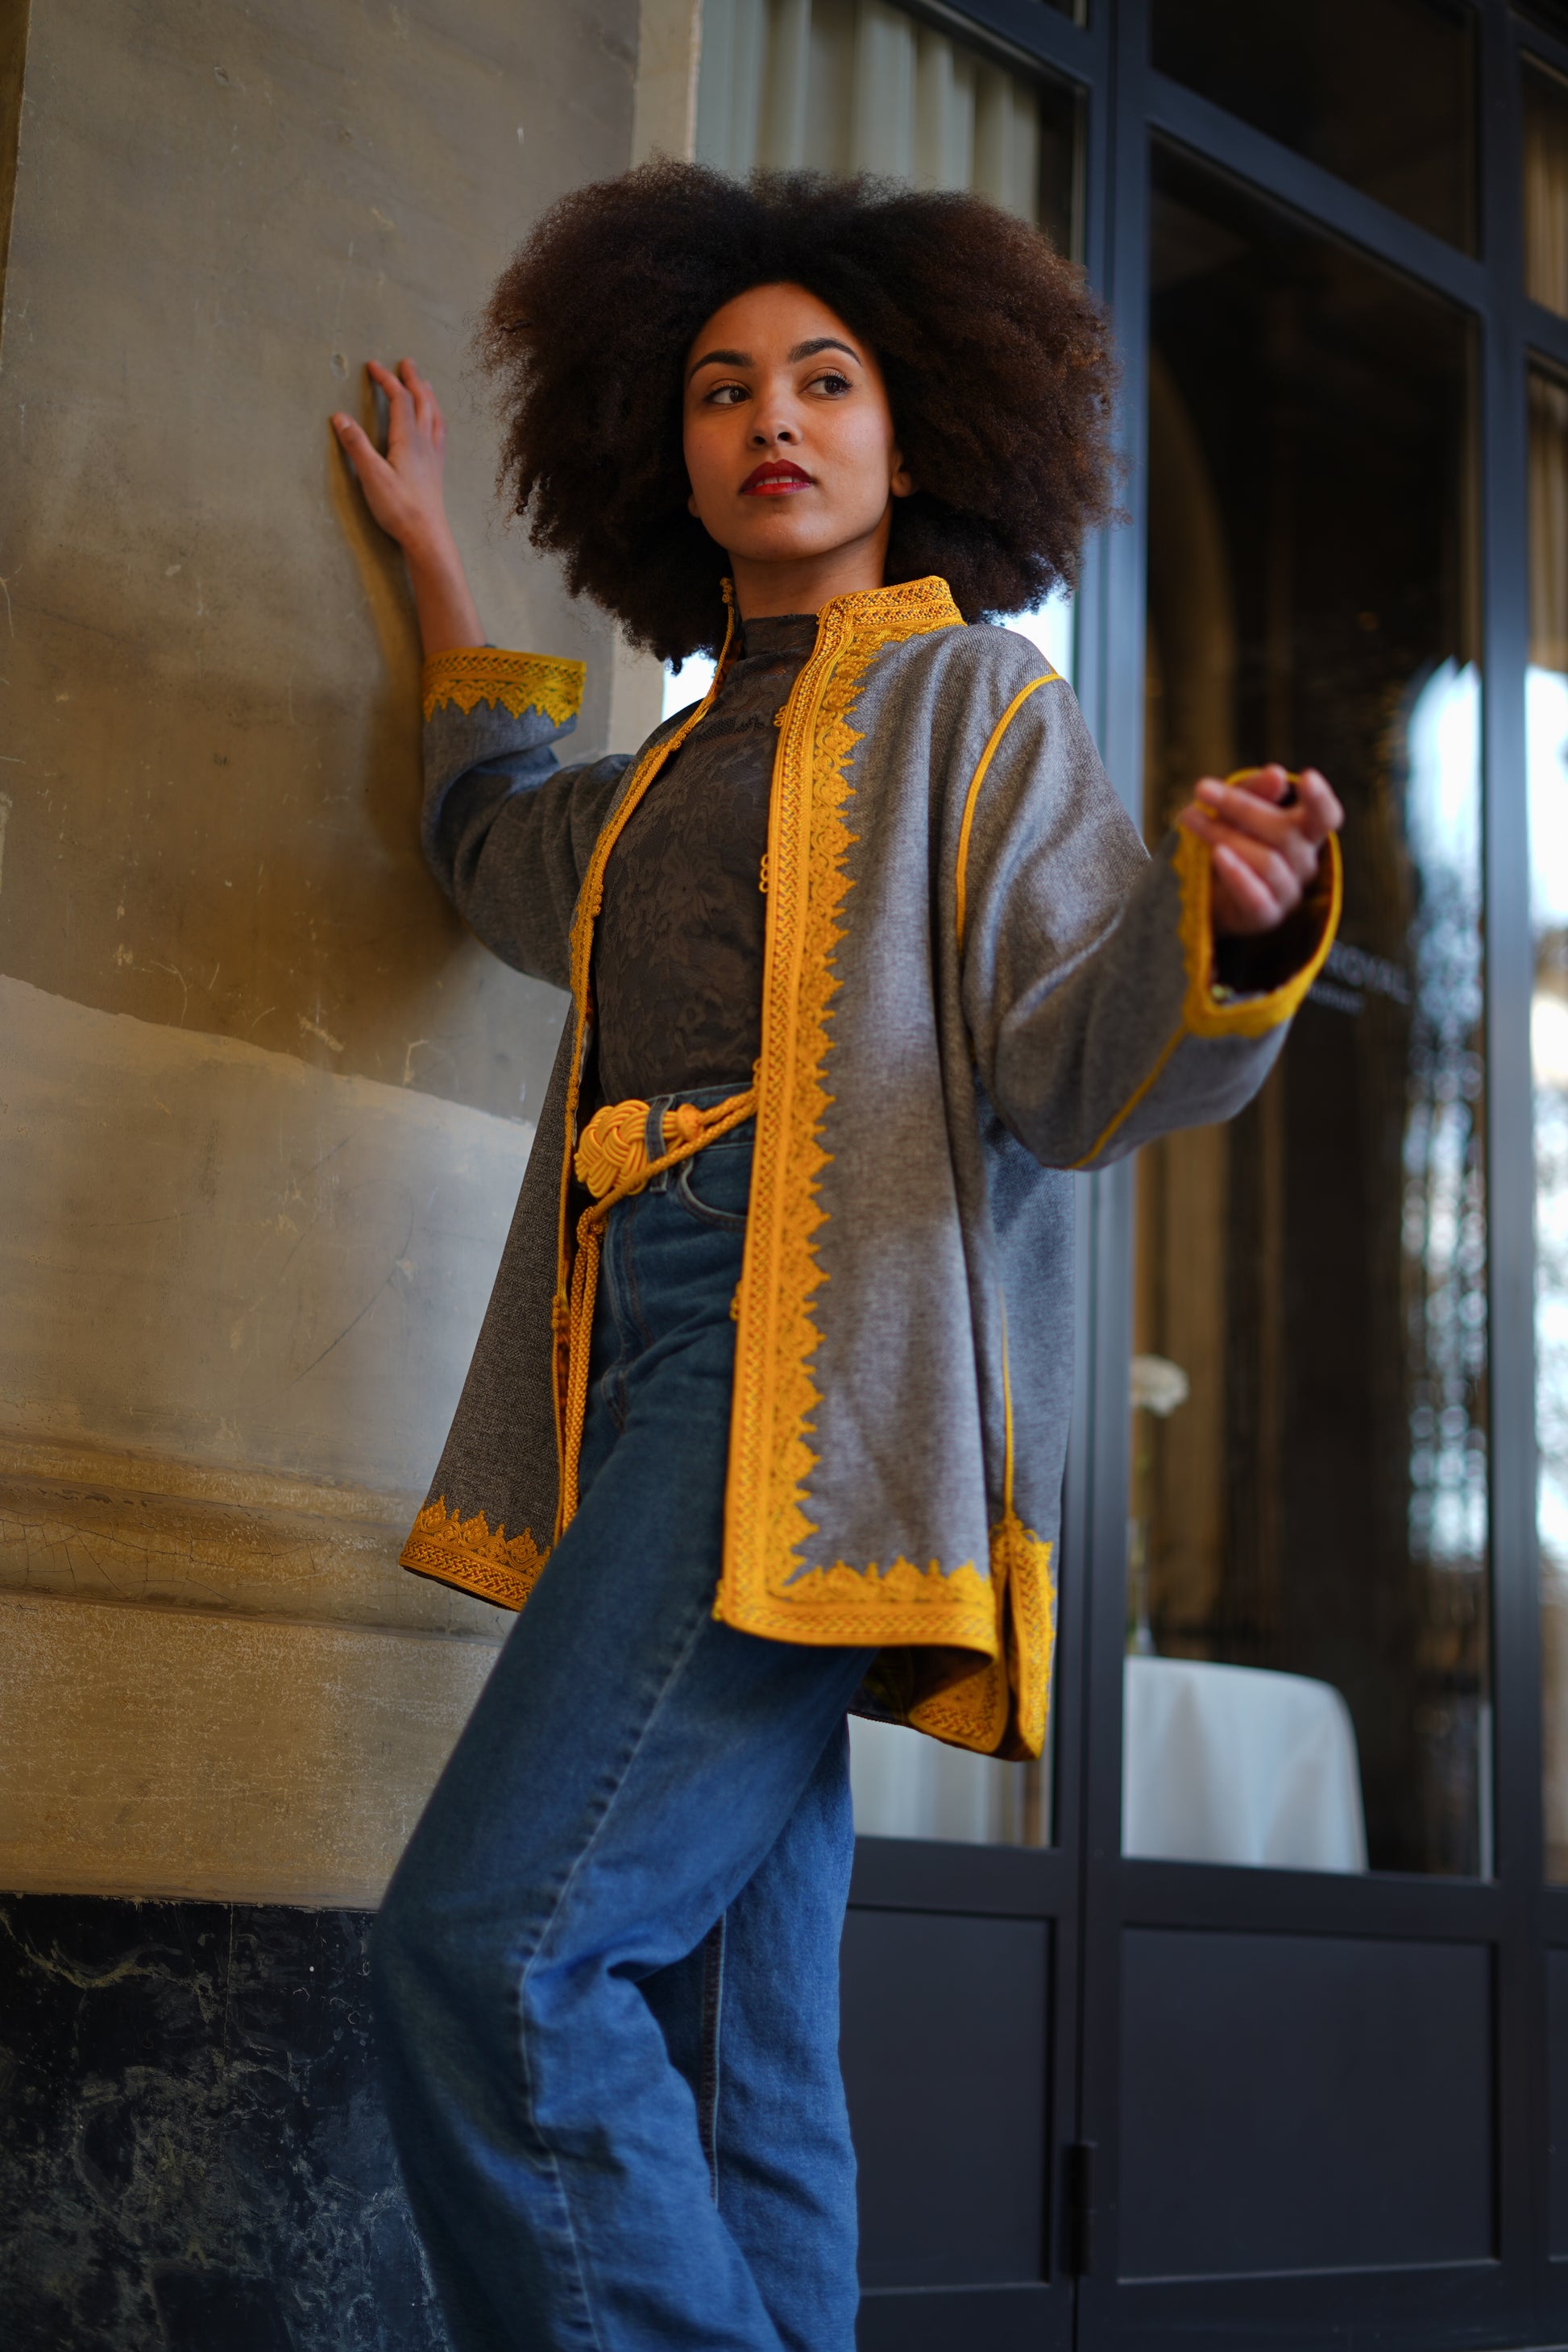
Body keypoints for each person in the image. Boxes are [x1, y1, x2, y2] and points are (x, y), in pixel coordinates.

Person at [330, 162, 1342, 2352]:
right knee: (729, 2045)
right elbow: (484, 846)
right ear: (665, 454)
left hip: (804, 1388)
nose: (770, 419)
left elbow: (1076, 1062)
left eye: (824, 380)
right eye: (718, 389)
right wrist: (429, 560)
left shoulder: (978, 708)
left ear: (918, 432)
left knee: (490, 1952)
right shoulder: (654, 782)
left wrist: (1220, 934)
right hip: (638, 1379)